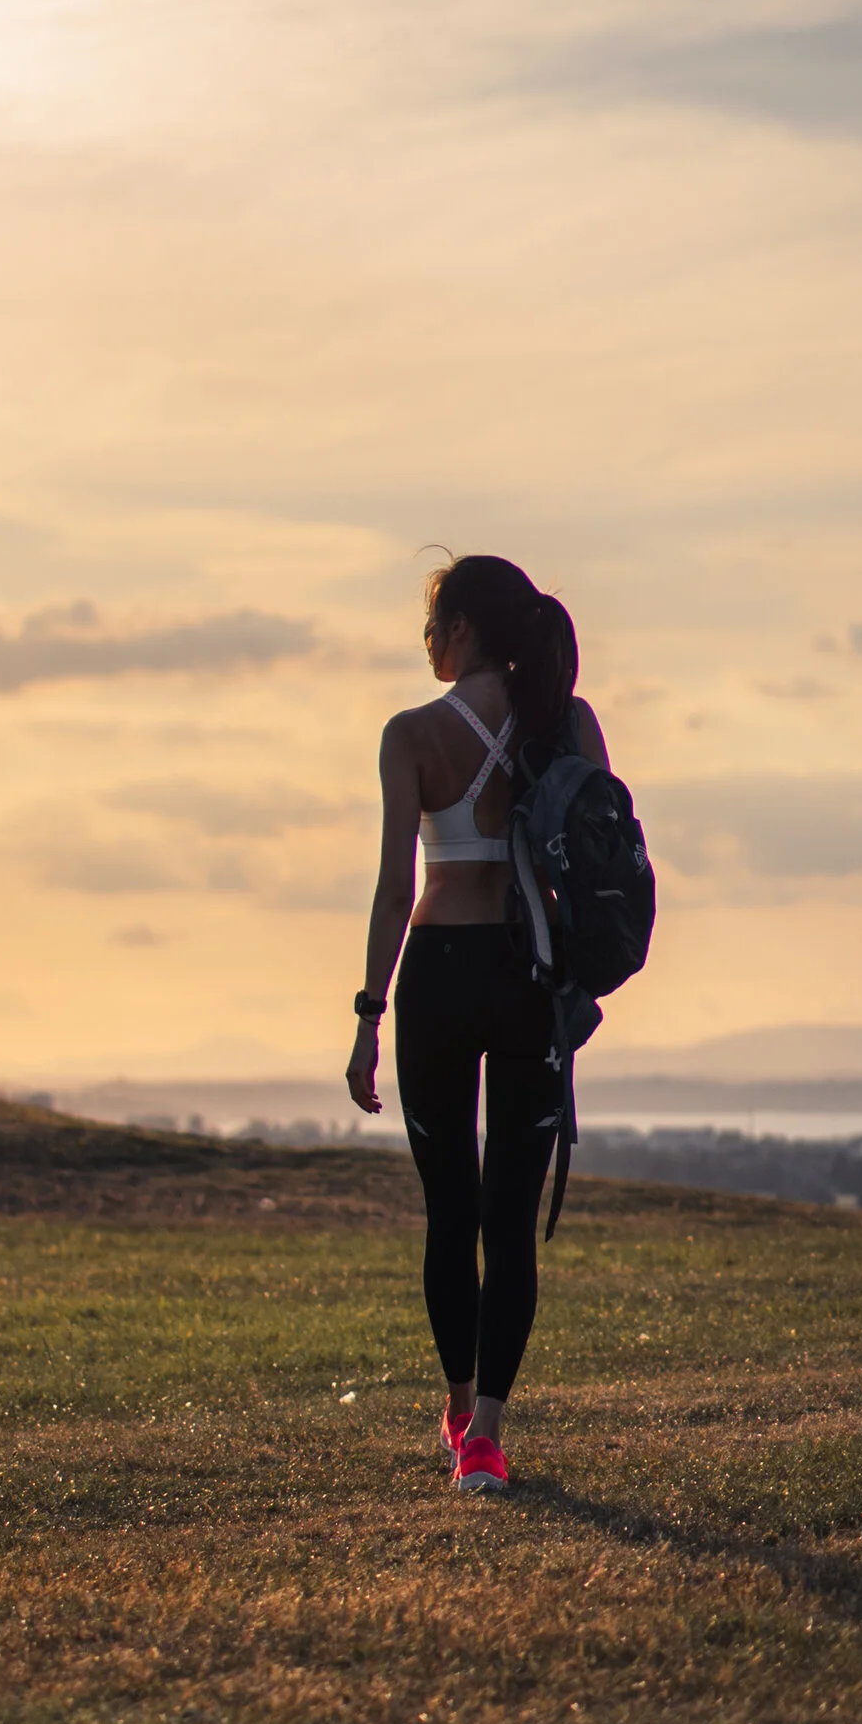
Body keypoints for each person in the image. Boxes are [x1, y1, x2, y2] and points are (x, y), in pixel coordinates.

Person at [346, 553, 608, 1497]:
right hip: (532, 978)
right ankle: (488, 1435)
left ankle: (459, 1414)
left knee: (451, 1215)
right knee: (510, 1219)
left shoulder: (411, 735)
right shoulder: (567, 721)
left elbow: (393, 889)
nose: (425, 642)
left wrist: (370, 1014)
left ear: (461, 630)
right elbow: (591, 860)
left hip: (442, 978)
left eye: (432, 622)